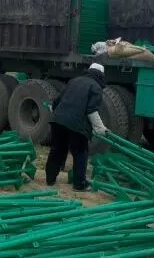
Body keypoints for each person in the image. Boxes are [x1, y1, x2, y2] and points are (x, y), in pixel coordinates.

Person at [45, 63, 108, 191]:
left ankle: (50, 179)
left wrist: (58, 115)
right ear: (101, 75)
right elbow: (92, 110)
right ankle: (79, 184)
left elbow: (57, 101)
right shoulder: (96, 87)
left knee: (57, 149)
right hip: (76, 124)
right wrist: (101, 129)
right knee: (80, 152)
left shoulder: (74, 80)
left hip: (58, 120)